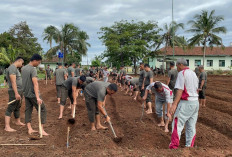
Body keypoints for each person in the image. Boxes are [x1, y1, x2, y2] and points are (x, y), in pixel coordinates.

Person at [169, 58, 199, 149]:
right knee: (191, 125)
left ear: (181, 65)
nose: (177, 68)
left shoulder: (182, 73)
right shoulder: (193, 73)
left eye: (177, 65)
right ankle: (189, 146)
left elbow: (180, 90)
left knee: (177, 124)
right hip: (195, 102)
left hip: (186, 102)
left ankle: (174, 147)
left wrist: (174, 104)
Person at [22, 54, 49, 136]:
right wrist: (37, 97)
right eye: (38, 62)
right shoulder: (33, 69)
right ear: (34, 60)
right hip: (33, 94)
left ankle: (29, 128)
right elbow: (35, 84)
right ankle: (42, 129)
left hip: (26, 93)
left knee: (28, 110)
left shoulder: (23, 68)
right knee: (43, 109)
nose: (38, 64)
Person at [5, 57, 25, 132]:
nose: (22, 65)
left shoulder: (15, 68)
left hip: (19, 90)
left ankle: (17, 121)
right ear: (19, 61)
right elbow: (13, 82)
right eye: (22, 63)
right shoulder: (12, 68)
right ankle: (7, 127)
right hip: (14, 91)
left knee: (17, 106)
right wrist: (16, 93)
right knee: (11, 107)